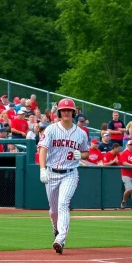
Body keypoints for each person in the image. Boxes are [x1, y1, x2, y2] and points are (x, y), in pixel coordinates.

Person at [38, 98, 89, 254]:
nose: (66, 112)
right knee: (53, 211)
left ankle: (60, 239)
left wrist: (81, 155)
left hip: (70, 173)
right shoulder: (51, 129)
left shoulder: (81, 133)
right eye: (63, 110)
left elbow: (86, 153)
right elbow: (43, 150)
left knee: (63, 204)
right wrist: (42, 169)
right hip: (52, 172)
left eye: (69, 110)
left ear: (73, 112)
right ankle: (56, 229)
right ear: (59, 112)